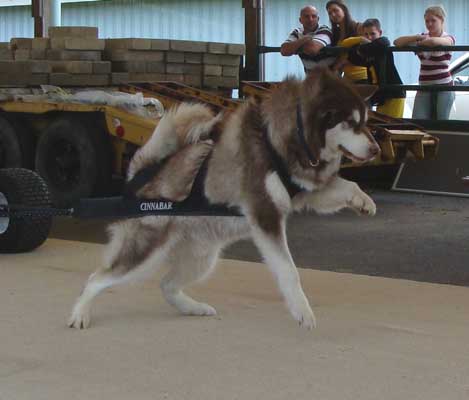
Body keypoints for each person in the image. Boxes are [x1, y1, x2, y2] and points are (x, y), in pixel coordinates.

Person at [394, 5, 455, 120]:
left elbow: (434, 42)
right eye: (427, 21)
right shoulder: (421, 37)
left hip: (444, 86)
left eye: (433, 20)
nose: (430, 24)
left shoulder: (448, 38)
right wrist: (416, 37)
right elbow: (397, 42)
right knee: (418, 120)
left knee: (442, 121)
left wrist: (420, 42)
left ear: (441, 20)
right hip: (424, 86)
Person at [348, 18, 406, 118]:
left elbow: (384, 42)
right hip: (382, 95)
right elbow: (351, 57)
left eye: (373, 34)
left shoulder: (381, 44)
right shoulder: (367, 52)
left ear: (380, 32)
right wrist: (360, 40)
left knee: (392, 127)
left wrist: (361, 48)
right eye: (366, 35)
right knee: (382, 126)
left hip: (394, 93)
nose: (369, 37)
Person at [280, 5, 335, 74]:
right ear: (300, 20)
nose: (310, 19)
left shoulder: (325, 30)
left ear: (318, 19)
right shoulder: (297, 32)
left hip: (331, 78)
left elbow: (311, 49)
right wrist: (306, 38)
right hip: (311, 79)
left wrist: (295, 47)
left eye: (313, 16)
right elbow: (284, 51)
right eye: (306, 16)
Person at [325, 0, 368, 83]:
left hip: (363, 76)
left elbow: (367, 50)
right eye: (330, 13)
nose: (333, 15)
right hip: (347, 77)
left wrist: (344, 62)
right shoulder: (335, 33)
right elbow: (339, 57)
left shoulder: (358, 27)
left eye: (335, 10)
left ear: (344, 10)